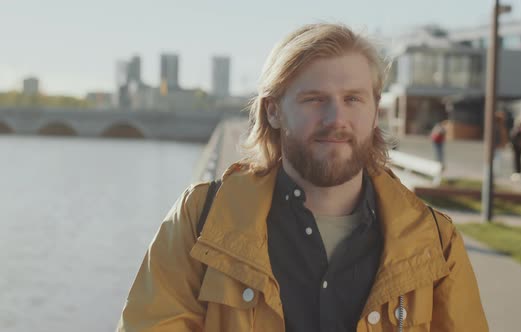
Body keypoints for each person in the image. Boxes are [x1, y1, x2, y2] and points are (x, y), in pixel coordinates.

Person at [117, 23, 488, 332]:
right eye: (314, 98)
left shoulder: (436, 243)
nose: (335, 119)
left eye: (353, 99)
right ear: (274, 111)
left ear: (375, 112)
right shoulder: (200, 220)